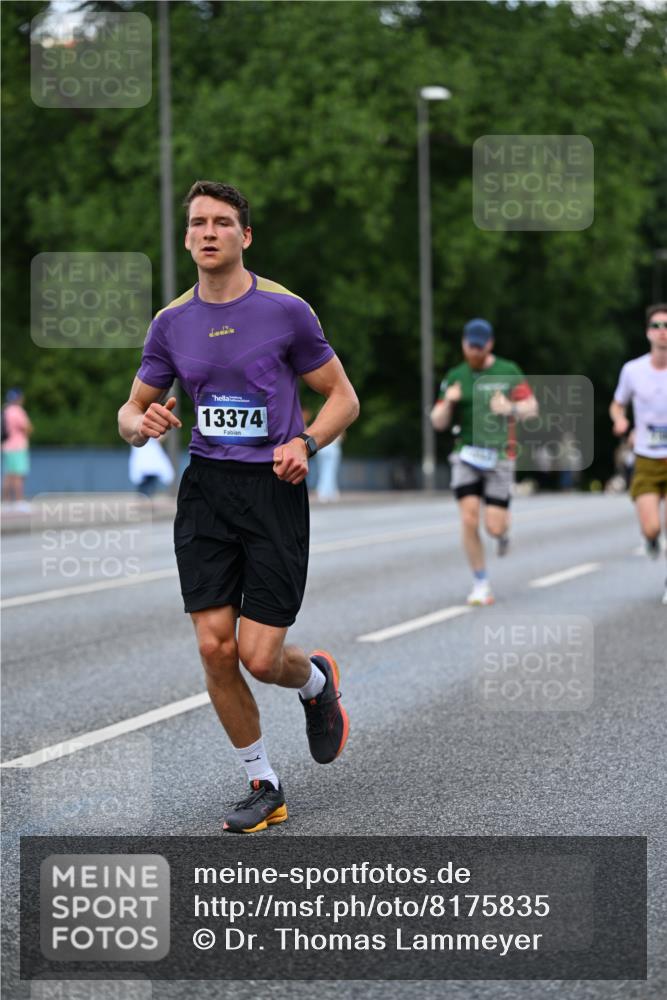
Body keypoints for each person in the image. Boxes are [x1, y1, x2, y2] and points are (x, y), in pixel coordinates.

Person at [118, 180, 359, 832]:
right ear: (187, 235)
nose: (207, 232)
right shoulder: (171, 322)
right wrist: (141, 423)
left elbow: (342, 397)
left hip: (273, 490)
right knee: (216, 649)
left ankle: (312, 681)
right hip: (206, 491)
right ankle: (263, 782)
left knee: (258, 655)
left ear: (244, 236)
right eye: (197, 222)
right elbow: (130, 408)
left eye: (222, 222)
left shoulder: (286, 312)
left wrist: (306, 442)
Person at [430, 318, 537, 606]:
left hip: (500, 456)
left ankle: (503, 530)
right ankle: (481, 582)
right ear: (463, 343)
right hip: (466, 455)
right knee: (468, 518)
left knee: (494, 527)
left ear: (489, 345)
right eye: (469, 346)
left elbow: (531, 408)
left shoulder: (508, 370)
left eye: (479, 347)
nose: (474, 352)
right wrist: (448, 402)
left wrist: (510, 407)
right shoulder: (456, 375)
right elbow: (437, 422)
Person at [610, 303, 667, 604]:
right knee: (652, 526)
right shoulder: (633, 370)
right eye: (656, 326)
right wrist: (620, 419)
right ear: (648, 333)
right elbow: (617, 403)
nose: (662, 332)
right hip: (645, 457)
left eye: (666, 326)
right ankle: (651, 539)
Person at [1, 388, 33, 510]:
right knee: (18, 475)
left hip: (6, 446)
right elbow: (28, 428)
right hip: (18, 446)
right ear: (18, 398)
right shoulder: (18, 411)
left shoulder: (6, 411)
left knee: (8, 475)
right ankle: (19, 501)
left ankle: (5, 501)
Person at [316, 432, 343, 502]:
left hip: (321, 448)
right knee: (330, 471)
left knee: (323, 471)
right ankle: (326, 493)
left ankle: (328, 492)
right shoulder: (337, 422)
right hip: (332, 448)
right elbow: (341, 437)